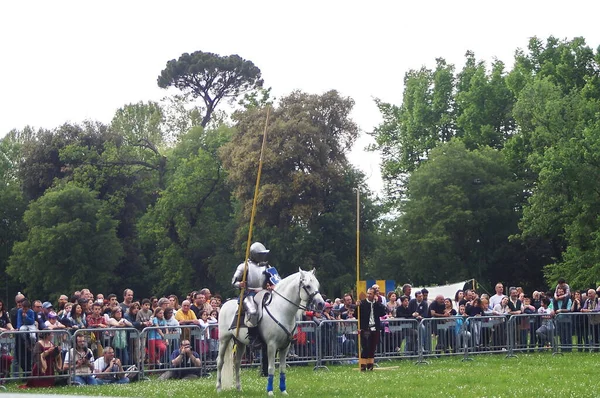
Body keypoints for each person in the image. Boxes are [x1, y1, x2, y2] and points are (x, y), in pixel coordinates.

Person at [231, 241, 271, 348]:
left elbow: (274, 279)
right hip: (249, 293)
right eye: (260, 254)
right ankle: (253, 338)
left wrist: (272, 286)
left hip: (264, 293)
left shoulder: (266, 266)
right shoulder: (244, 266)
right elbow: (233, 281)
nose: (262, 256)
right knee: (253, 311)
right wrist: (240, 284)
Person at [356, 288, 387, 371]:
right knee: (365, 347)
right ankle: (363, 365)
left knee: (372, 348)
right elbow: (356, 315)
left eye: (370, 294)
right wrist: (357, 306)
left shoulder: (377, 304)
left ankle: (370, 365)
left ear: (374, 295)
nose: (369, 295)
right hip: (365, 328)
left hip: (375, 328)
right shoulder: (362, 303)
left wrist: (378, 303)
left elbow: (383, 312)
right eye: (368, 293)